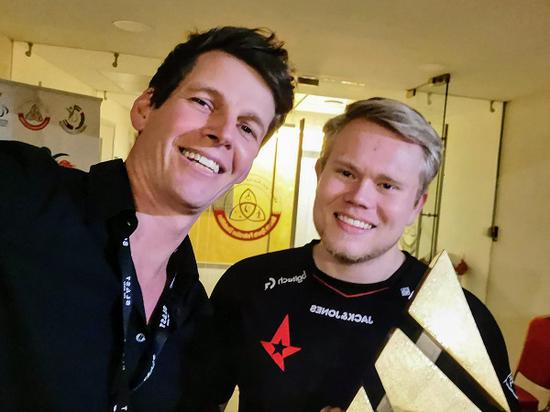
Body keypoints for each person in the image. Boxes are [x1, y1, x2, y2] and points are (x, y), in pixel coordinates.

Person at [0, 26, 294, 412]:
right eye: (204, 102)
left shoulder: (197, 322)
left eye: (246, 128)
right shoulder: (23, 191)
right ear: (145, 108)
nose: (223, 133)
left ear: (246, 166)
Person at [210, 98, 520, 412]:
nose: (359, 198)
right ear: (320, 172)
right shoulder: (249, 284)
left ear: (416, 205)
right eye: (347, 173)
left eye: (387, 185)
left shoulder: (461, 319)